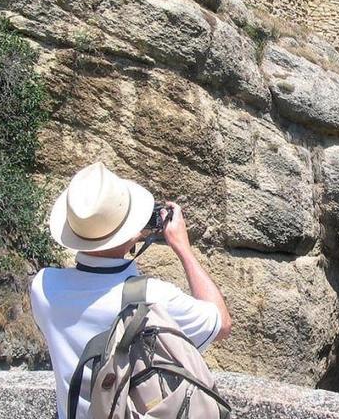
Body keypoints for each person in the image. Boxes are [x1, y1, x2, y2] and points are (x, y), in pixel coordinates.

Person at [30, 162, 232, 419]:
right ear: (131, 235)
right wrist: (183, 247)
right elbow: (222, 323)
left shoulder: (43, 287)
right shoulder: (152, 298)